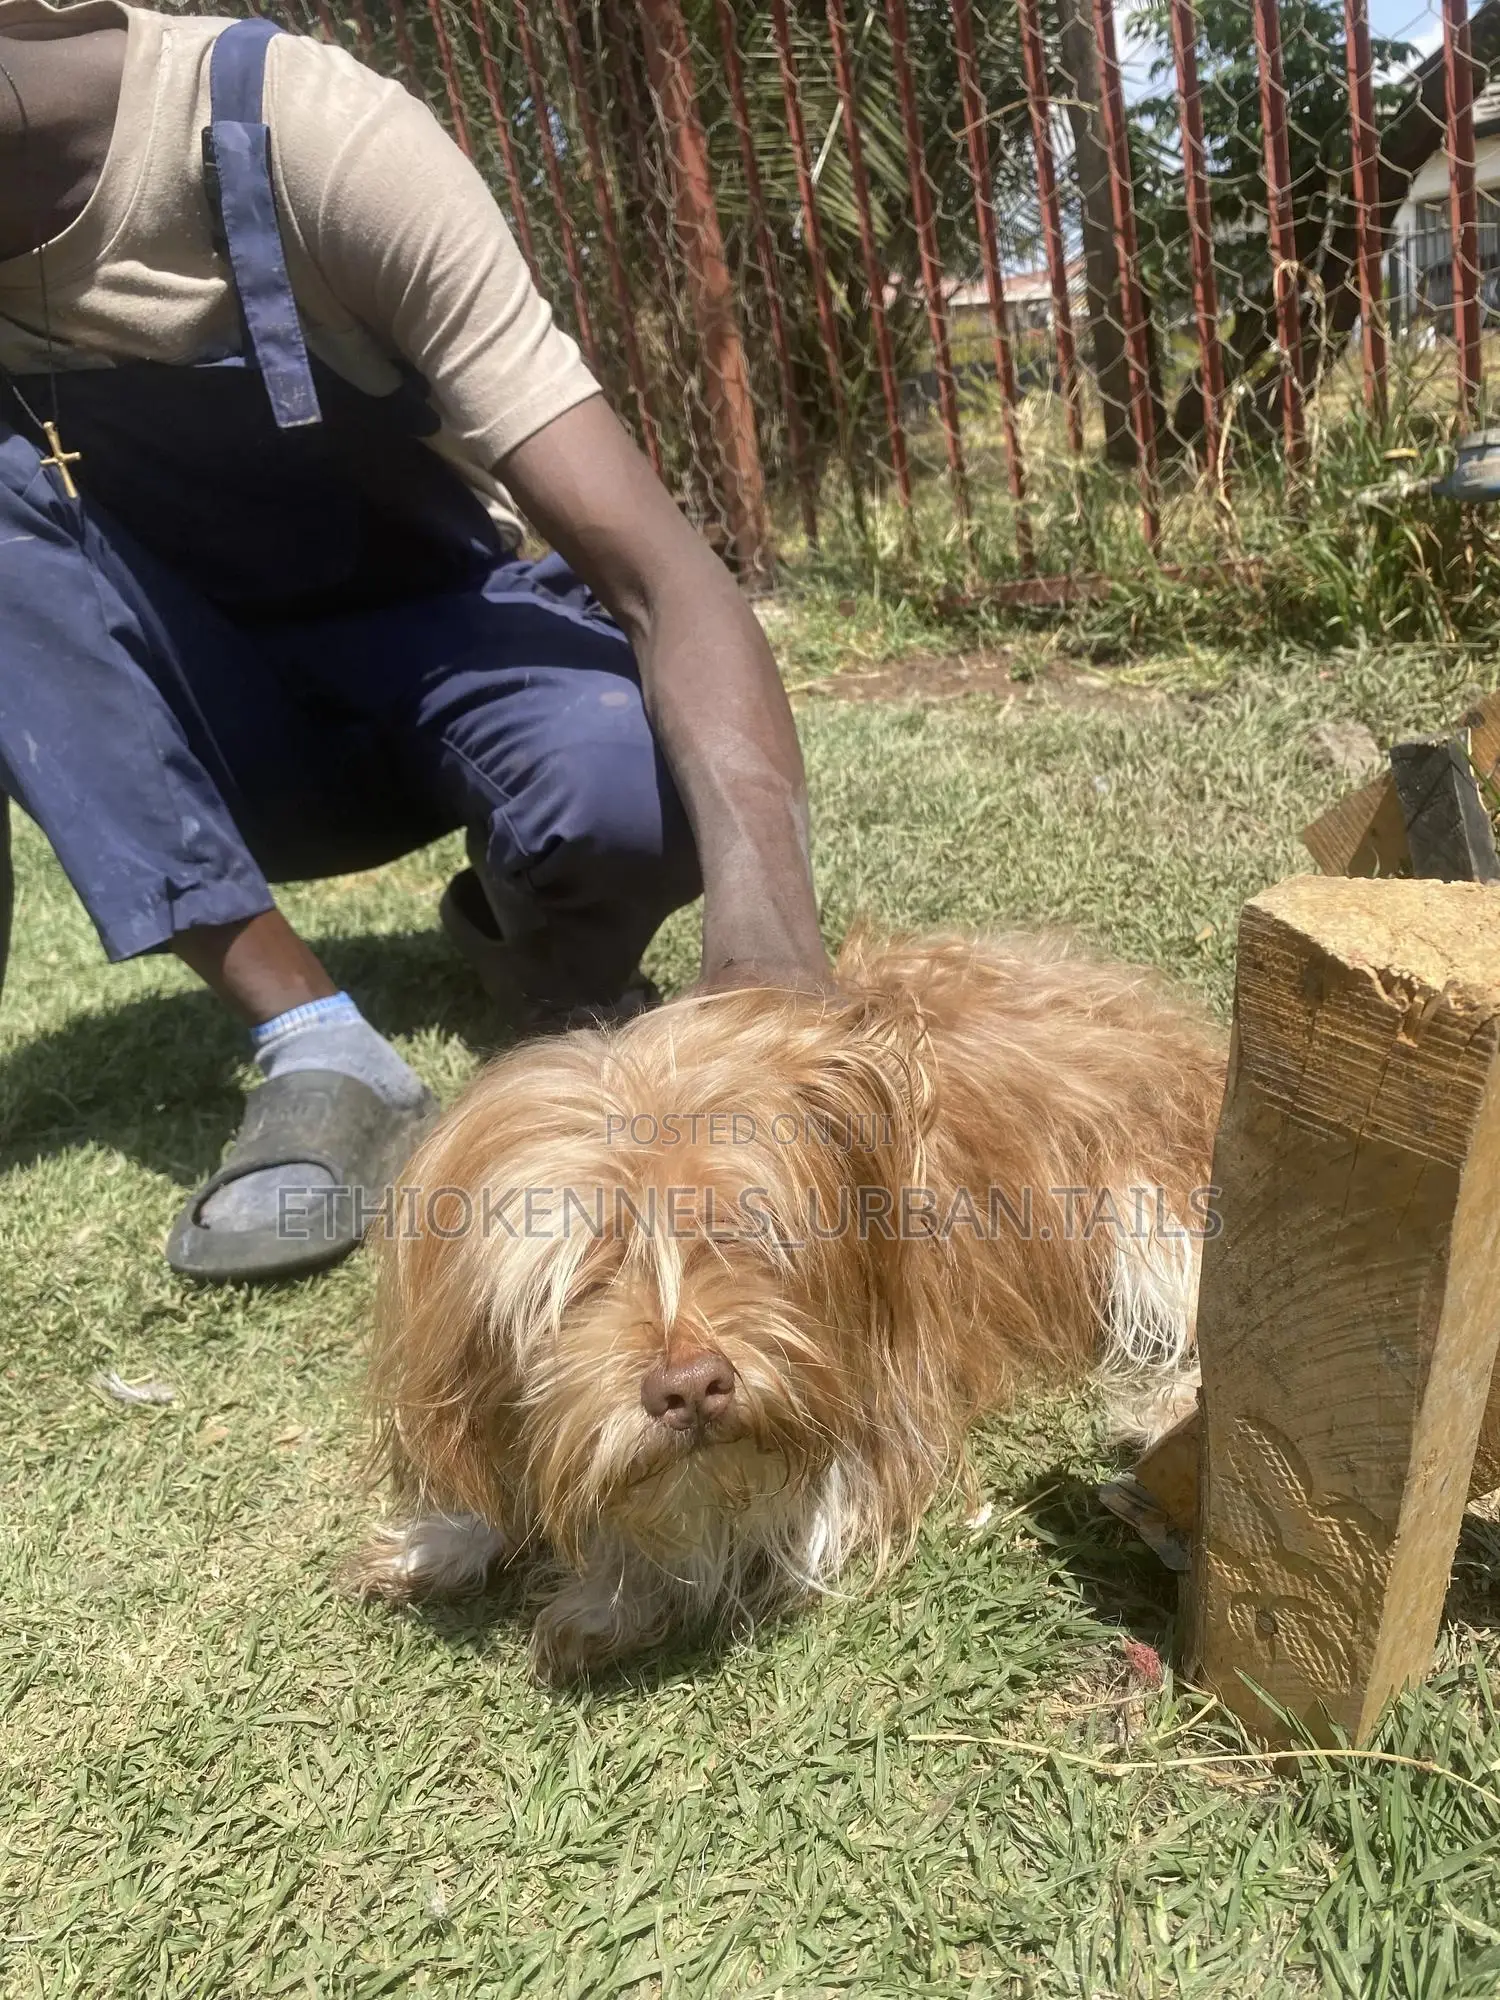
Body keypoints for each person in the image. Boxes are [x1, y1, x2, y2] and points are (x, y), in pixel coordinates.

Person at [0, 2, 829, 1281]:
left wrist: (772, 968)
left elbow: (663, 576)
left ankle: (534, 926)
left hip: (439, 649)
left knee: (630, 797)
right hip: (198, 733)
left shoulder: (304, 137)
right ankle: (321, 1042)